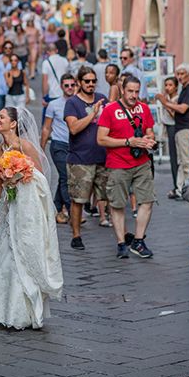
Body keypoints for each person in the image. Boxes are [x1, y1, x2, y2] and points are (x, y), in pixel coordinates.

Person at [0, 107, 64, 329]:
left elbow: (41, 177)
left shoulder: (25, 146)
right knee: (6, 252)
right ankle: (3, 309)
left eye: (2, 117)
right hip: (10, 206)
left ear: (14, 123)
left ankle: (25, 311)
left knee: (25, 249)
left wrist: (21, 175)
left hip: (27, 206)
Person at [97, 76, 157, 259]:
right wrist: (127, 142)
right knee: (117, 204)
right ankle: (121, 242)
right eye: (130, 91)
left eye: (137, 91)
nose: (134, 95)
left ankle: (138, 240)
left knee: (147, 201)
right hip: (118, 164)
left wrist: (149, 140)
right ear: (122, 90)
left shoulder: (144, 108)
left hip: (142, 163)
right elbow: (100, 139)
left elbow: (149, 131)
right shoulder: (110, 110)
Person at [65, 66, 109, 249]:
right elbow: (73, 128)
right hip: (80, 159)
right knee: (79, 200)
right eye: (87, 81)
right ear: (80, 82)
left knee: (110, 198)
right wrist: (92, 114)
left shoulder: (102, 99)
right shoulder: (73, 103)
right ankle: (76, 235)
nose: (91, 84)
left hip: (103, 156)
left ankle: (121, 238)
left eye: (93, 81)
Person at [158, 63, 189, 202]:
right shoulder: (186, 89)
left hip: (188, 129)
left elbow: (182, 109)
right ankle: (181, 189)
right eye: (178, 74)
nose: (180, 77)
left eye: (182, 74)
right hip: (181, 129)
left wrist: (165, 102)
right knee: (182, 162)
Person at [41, 73, 77, 224]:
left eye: (72, 85)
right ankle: (71, 211)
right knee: (66, 177)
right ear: (61, 87)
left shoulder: (78, 103)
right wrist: (40, 149)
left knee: (64, 178)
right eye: (66, 85)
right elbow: (46, 128)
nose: (69, 88)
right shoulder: (54, 105)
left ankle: (55, 208)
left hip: (74, 146)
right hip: (58, 145)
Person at [157, 76, 180, 199]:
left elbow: (173, 114)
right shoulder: (168, 98)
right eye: (166, 85)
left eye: (170, 85)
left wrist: (165, 103)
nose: (167, 88)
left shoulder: (176, 99)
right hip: (168, 128)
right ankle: (175, 184)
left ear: (176, 86)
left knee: (175, 157)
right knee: (172, 158)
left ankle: (178, 185)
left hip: (174, 128)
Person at [41, 42, 70, 113]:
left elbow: (45, 81)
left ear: (47, 52)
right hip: (64, 92)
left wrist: (44, 96)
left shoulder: (46, 63)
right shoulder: (64, 60)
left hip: (52, 94)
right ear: (57, 50)